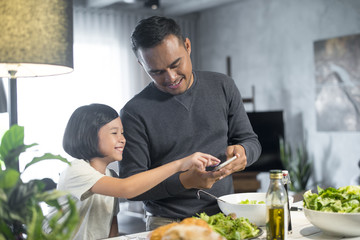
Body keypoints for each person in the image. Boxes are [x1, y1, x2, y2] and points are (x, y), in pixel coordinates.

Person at [119, 16, 262, 231]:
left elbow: (251, 141)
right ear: (141, 64)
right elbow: (132, 188)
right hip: (167, 223)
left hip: (225, 216)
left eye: (176, 65)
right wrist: (185, 181)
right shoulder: (133, 112)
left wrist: (244, 152)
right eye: (156, 72)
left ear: (187, 46)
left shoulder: (223, 85)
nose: (171, 77)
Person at [54, 103, 221, 240]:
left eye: (122, 133)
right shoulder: (75, 170)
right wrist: (178, 164)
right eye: (114, 133)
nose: (122, 139)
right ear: (88, 135)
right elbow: (127, 188)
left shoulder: (111, 177)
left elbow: (111, 226)